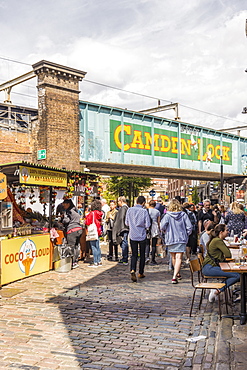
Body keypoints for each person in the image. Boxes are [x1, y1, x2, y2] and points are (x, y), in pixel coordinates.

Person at [202, 224, 240, 302]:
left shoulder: (215, 239)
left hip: (209, 267)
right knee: (237, 275)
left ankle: (218, 289)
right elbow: (228, 254)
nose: (228, 232)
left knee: (237, 274)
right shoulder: (217, 240)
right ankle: (217, 290)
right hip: (210, 268)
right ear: (221, 232)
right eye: (226, 230)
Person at [161, 199, 192, 284]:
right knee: (179, 258)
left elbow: (162, 226)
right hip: (181, 238)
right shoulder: (183, 215)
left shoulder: (167, 216)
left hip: (171, 238)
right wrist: (186, 234)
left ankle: (176, 274)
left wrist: (165, 232)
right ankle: (175, 275)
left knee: (174, 257)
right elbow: (189, 227)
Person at [125, 196, 151, 282]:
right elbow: (147, 224)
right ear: (143, 203)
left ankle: (133, 269)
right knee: (142, 254)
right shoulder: (144, 211)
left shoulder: (129, 210)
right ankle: (141, 272)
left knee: (134, 254)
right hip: (142, 235)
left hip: (133, 234)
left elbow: (126, 223)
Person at [62, 199, 82, 269]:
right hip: (79, 229)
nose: (63, 205)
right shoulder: (75, 210)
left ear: (68, 204)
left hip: (72, 230)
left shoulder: (69, 211)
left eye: (64, 204)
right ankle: (75, 261)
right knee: (76, 246)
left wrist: (62, 219)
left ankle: (71, 262)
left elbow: (66, 220)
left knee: (71, 246)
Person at [85, 199, 103, 267]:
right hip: (97, 230)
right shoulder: (99, 213)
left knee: (93, 246)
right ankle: (99, 260)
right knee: (97, 246)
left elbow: (87, 222)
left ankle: (95, 261)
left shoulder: (92, 213)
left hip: (93, 231)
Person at [112, 196, 129, 265]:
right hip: (124, 228)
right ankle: (124, 257)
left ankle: (125, 258)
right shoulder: (126, 208)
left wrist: (118, 229)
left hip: (123, 228)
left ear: (121, 201)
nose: (117, 203)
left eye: (118, 201)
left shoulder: (123, 209)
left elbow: (121, 219)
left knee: (124, 242)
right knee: (124, 242)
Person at [146, 200, 160, 265]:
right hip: (154, 227)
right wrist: (159, 229)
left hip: (147, 227)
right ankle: (153, 259)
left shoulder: (146, 210)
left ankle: (147, 257)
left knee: (147, 243)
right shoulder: (157, 212)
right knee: (154, 244)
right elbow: (158, 221)